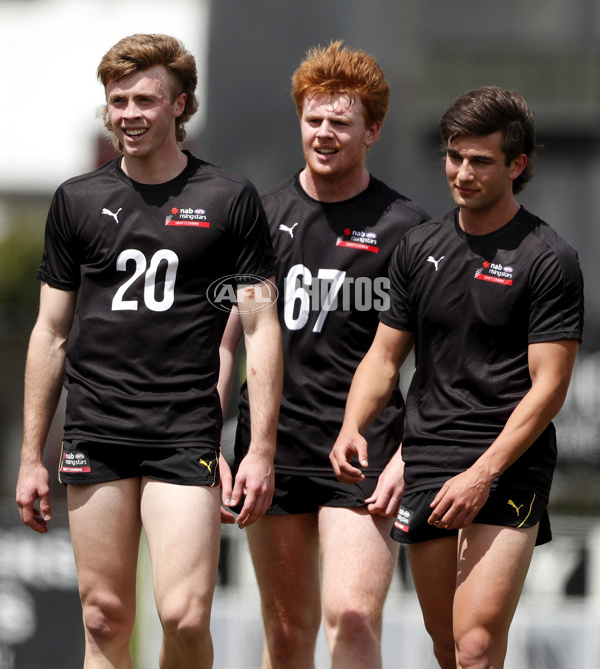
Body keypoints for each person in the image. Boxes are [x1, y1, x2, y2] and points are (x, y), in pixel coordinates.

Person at [15, 33, 283, 669]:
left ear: (180, 105)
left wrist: (259, 449)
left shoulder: (229, 198)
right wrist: (31, 456)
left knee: (184, 614)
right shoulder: (76, 199)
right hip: (97, 427)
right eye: (117, 101)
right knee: (103, 616)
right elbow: (50, 332)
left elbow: (263, 328)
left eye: (144, 99)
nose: (128, 114)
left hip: (182, 428)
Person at [330, 85, 584, 669]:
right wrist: (352, 424)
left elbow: (549, 390)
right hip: (429, 460)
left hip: (506, 465)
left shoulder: (549, 258)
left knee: (475, 646)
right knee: (446, 647)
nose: (462, 172)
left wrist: (482, 474)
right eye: (453, 156)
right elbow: (384, 357)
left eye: (480, 161)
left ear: (516, 165)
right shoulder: (419, 248)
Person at [218, 40, 429, 669]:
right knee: (286, 633)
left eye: (341, 121)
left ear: (374, 130)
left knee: (355, 616)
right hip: (272, 449)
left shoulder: (407, 227)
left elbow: (440, 361)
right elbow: (227, 340)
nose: (325, 133)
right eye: (314, 119)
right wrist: (210, 443)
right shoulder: (262, 215)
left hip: (365, 448)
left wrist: (409, 455)